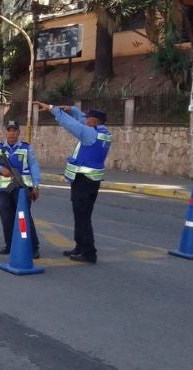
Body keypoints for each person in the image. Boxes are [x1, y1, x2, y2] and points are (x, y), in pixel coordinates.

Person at [34, 102, 112, 264]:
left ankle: (89, 253)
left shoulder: (90, 134)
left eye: (88, 119)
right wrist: (74, 110)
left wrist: (51, 108)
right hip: (92, 181)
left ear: (94, 122)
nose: (85, 121)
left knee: (83, 217)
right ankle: (80, 246)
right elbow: (81, 120)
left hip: (84, 181)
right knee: (82, 216)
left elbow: (71, 124)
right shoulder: (103, 132)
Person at [0, 120, 41, 259]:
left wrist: (36, 186)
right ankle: (10, 245)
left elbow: (34, 166)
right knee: (6, 218)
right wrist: (0, 168)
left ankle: (33, 247)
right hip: (2, 189)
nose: (11, 133)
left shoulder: (26, 148)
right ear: (5, 132)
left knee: (24, 217)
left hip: (22, 188)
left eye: (14, 130)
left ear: (18, 132)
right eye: (9, 130)